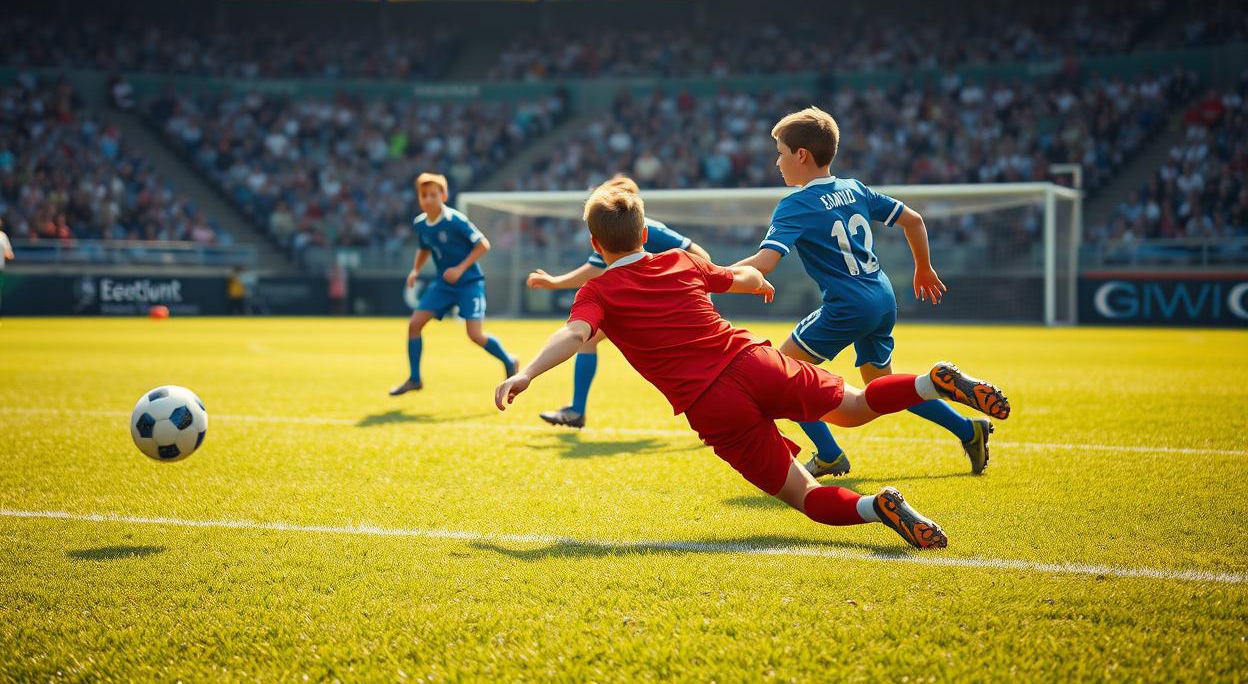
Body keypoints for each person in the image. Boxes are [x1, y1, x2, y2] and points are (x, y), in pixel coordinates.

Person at [495, 186, 1009, 549]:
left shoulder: (597, 290)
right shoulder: (681, 261)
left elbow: (573, 334)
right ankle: (930, 380)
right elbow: (734, 276)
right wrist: (757, 283)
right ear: (646, 232)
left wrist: (527, 373)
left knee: (806, 496)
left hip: (714, 405)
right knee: (854, 406)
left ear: (595, 245)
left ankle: (878, 506)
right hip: (754, 360)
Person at [733, 107, 992, 478]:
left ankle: (828, 454)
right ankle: (969, 430)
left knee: (782, 377)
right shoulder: (853, 188)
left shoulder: (795, 204)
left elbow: (765, 262)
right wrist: (923, 267)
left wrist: (710, 275)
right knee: (882, 385)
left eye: (780, 153)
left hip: (848, 306)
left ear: (801, 155)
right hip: (882, 296)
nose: (777, 162)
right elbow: (914, 220)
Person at [525, 175, 712, 428]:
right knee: (588, 340)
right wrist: (555, 282)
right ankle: (576, 411)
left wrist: (701, 292)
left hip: (667, 302)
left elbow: (699, 254)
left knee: (693, 357)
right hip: (644, 301)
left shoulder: (648, 229)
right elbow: (594, 269)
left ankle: (722, 407)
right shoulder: (611, 229)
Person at [390, 173, 518, 396]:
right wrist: (416, 270)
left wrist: (460, 268)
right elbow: (424, 248)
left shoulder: (455, 220)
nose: (428, 199)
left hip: (469, 283)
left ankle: (509, 361)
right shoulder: (421, 224)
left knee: (475, 335)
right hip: (444, 284)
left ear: (444, 195)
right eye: (424, 195)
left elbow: (483, 245)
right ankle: (414, 379)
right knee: (414, 324)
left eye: (433, 194)